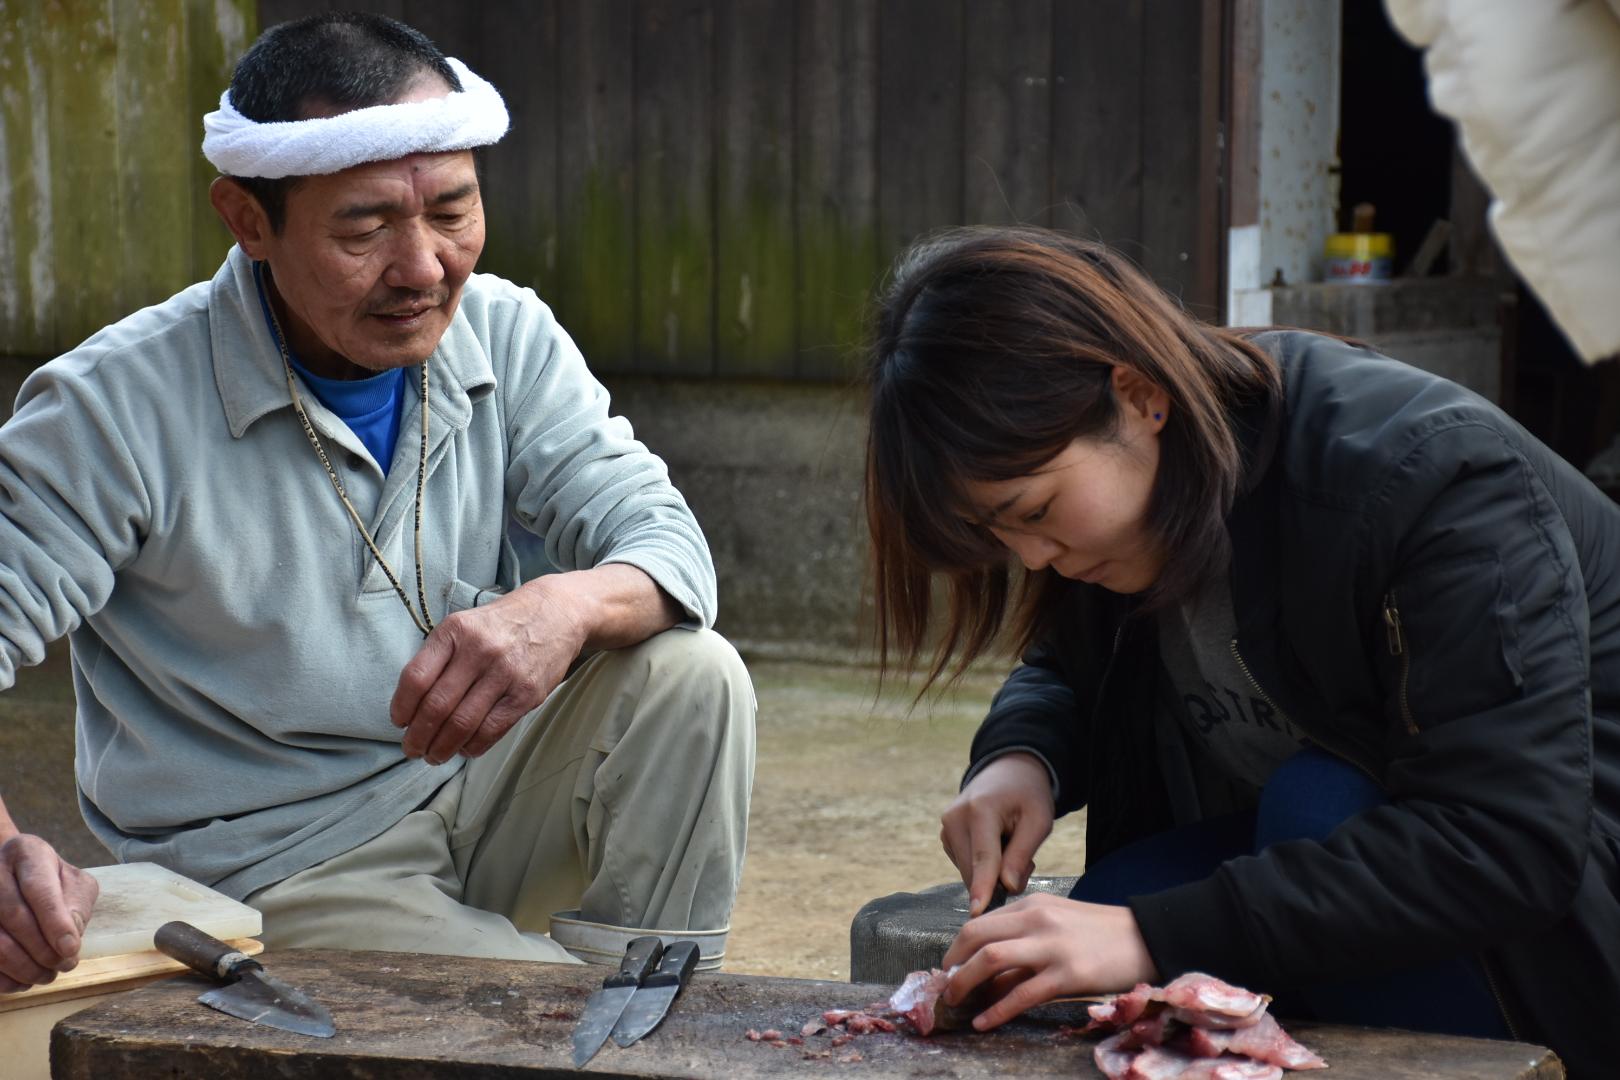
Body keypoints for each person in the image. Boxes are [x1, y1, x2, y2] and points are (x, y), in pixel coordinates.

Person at [0, 13, 754, 995]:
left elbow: (669, 546)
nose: (426, 266)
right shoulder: (110, 406)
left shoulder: (505, 332)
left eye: (452, 211)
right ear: (248, 220)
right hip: (280, 867)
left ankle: (648, 1005)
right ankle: (587, 1023)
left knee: (691, 674)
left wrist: (560, 609)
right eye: (365, 227)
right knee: (542, 1016)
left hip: (475, 789)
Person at [863, 226, 1618, 1074]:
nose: (1032, 557)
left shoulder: (1426, 476)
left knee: (1303, 811)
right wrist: (1021, 757)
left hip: (1566, 914)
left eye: (1033, 511)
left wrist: (1151, 936)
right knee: (1099, 916)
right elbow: (1072, 662)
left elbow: (1507, 840)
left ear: (1138, 395)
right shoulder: (1139, 492)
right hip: (1377, 869)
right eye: (997, 532)